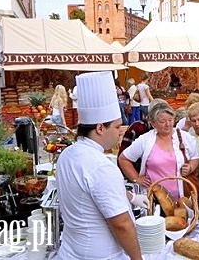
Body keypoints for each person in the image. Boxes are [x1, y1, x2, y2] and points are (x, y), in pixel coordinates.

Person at [55, 71, 145, 260]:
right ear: (100, 128)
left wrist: (130, 196)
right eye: (116, 126)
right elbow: (122, 224)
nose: (121, 132)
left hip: (71, 252)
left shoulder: (67, 154)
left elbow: (89, 193)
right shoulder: (101, 167)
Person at [119, 102, 199, 200]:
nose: (168, 124)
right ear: (153, 123)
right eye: (162, 121)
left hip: (183, 198)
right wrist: (137, 178)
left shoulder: (184, 137)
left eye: (170, 120)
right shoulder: (145, 140)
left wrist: (190, 167)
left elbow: (195, 157)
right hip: (154, 197)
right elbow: (123, 159)